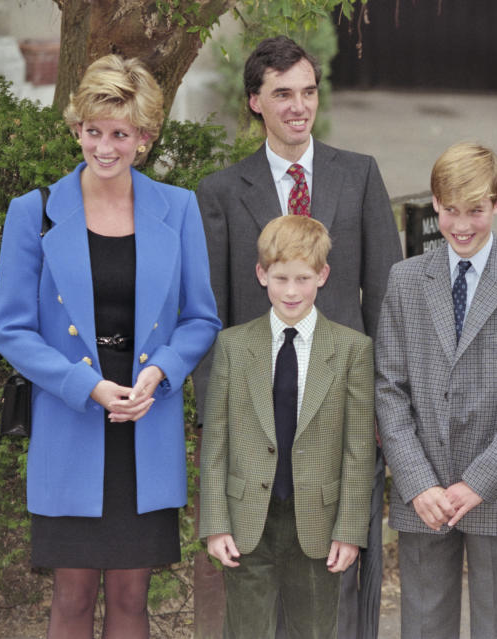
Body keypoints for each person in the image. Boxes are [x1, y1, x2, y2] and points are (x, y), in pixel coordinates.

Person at [0, 55, 221, 637]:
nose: (105, 146)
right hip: (71, 420)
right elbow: (11, 329)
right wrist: (84, 385)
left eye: (120, 133)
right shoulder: (35, 212)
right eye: (93, 131)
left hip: (146, 421)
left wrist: (161, 373)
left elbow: (200, 318)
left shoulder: (180, 207)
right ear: (77, 129)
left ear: (143, 137)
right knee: (69, 596)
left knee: (131, 597)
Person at [193, 35, 402, 638]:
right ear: (256, 101)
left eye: (308, 91)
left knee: (335, 576)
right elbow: (214, 314)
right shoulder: (222, 193)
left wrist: (385, 407)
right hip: (258, 408)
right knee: (257, 577)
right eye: (282, 94)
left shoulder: (358, 176)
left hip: (341, 411)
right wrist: (216, 417)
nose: (298, 106)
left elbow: (384, 298)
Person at [375, 142, 497, 639]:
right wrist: (417, 481)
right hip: (425, 496)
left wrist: (479, 482)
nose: (463, 224)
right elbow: (389, 389)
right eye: (451, 210)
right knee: (422, 626)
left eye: (476, 211)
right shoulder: (406, 280)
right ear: (435, 203)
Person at [199, 214, 375, 638]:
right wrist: (215, 523)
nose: (291, 291)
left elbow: (358, 449)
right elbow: (216, 441)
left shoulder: (352, 349)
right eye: (280, 278)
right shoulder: (234, 346)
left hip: (317, 522)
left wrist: (350, 530)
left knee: (313, 631)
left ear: (323, 275)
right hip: (247, 522)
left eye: (302, 278)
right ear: (262, 275)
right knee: (246, 630)